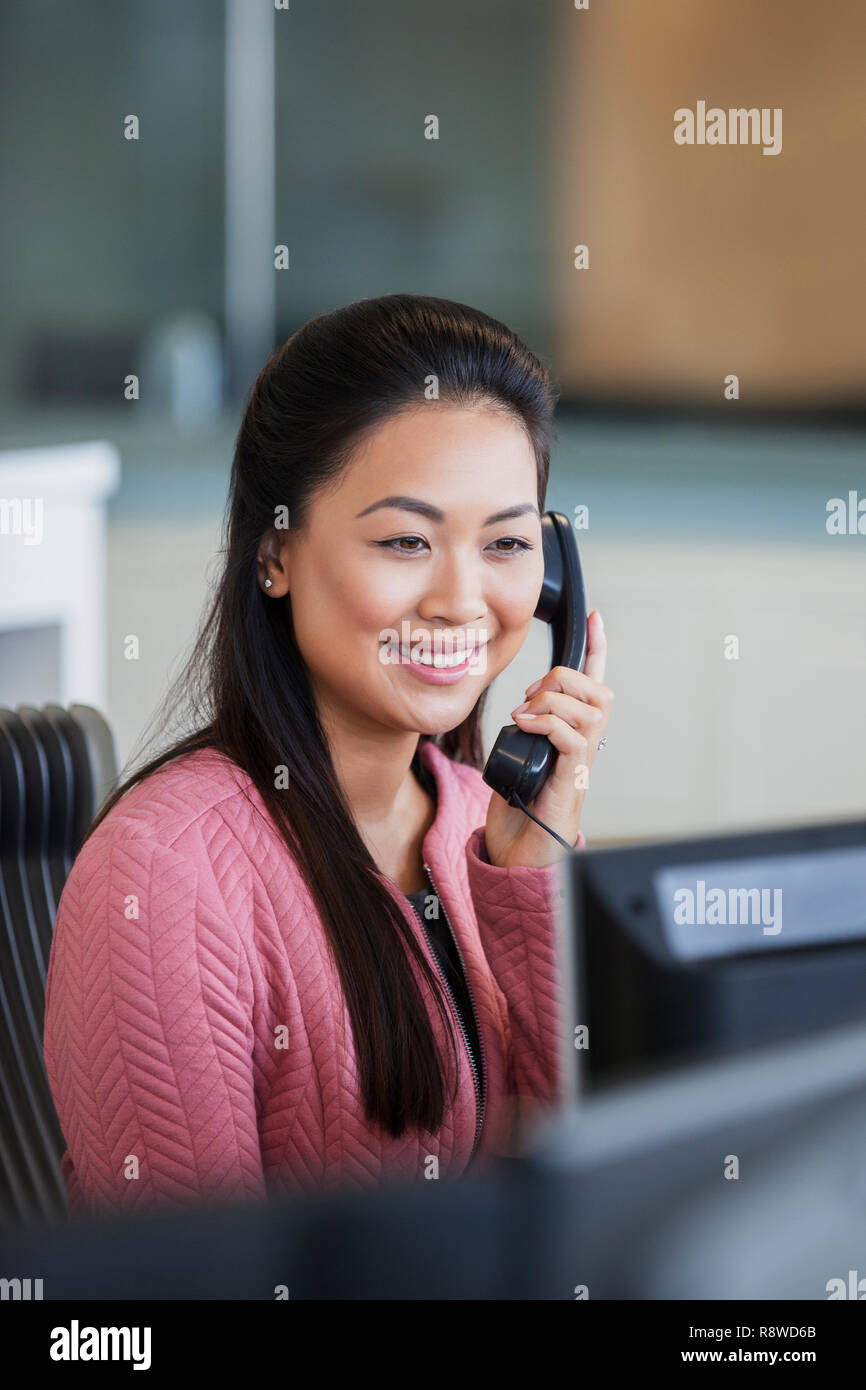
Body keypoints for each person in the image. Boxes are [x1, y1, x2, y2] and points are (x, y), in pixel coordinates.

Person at [43, 293, 613, 1217]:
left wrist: (532, 880)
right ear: (275, 553)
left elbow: (592, 1196)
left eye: (506, 542)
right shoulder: (164, 875)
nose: (463, 600)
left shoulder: (483, 818)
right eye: (404, 541)